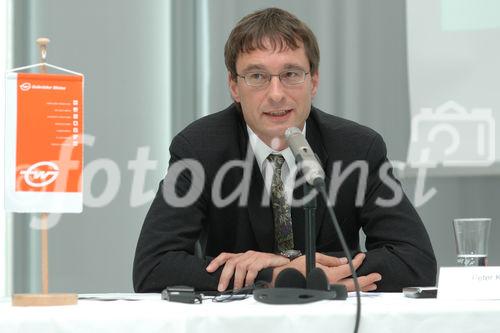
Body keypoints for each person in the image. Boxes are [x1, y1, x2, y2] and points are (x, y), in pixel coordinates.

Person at [133, 7, 436, 293]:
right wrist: (274, 276)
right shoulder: (200, 149)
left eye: (291, 74)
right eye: (257, 77)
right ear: (234, 86)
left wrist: (303, 271)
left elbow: (415, 261)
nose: (276, 94)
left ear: (313, 81)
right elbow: (154, 267)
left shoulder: (357, 148)